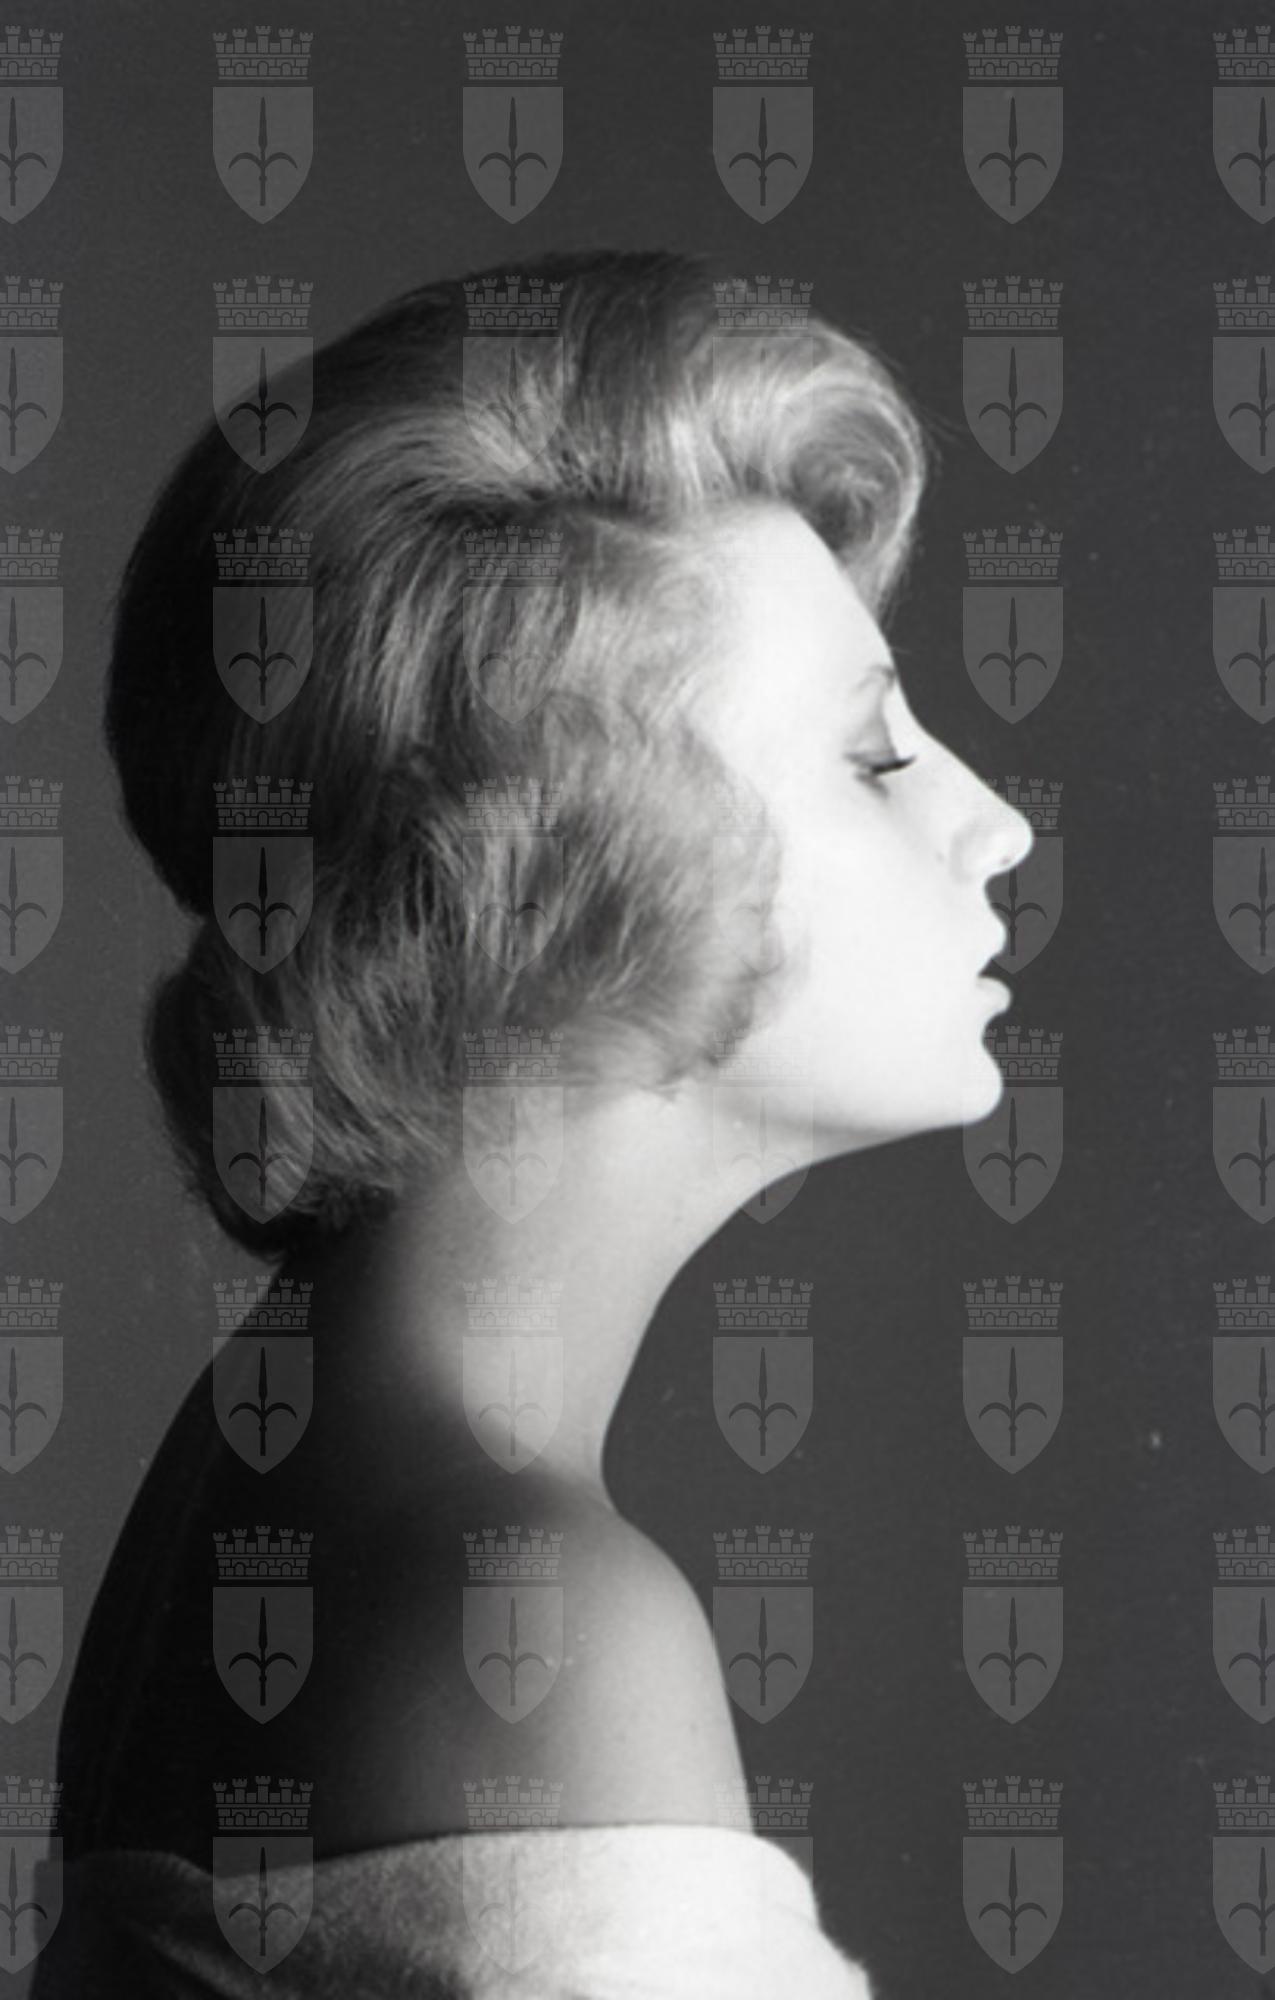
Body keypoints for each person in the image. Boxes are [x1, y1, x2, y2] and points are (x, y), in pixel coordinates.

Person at [32, 248, 1033, 1996]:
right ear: (573, 858)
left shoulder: (273, 1469)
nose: (994, 823)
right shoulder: (536, 1613)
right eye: (875, 756)